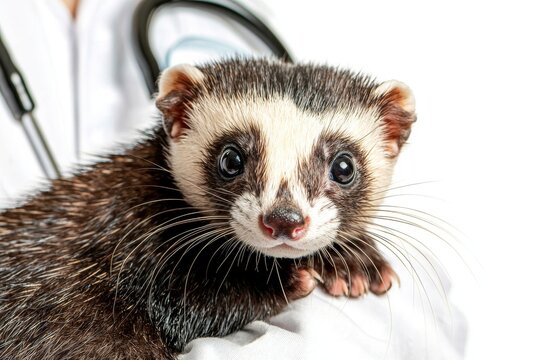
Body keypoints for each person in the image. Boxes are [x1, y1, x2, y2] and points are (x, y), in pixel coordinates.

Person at [0, 1, 466, 358]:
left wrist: (343, 247)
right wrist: (274, 289)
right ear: (179, 122)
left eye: (341, 171)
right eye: (232, 163)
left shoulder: (228, 15)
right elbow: (172, 301)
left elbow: (415, 326)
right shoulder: (137, 235)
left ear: (392, 136)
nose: (287, 214)